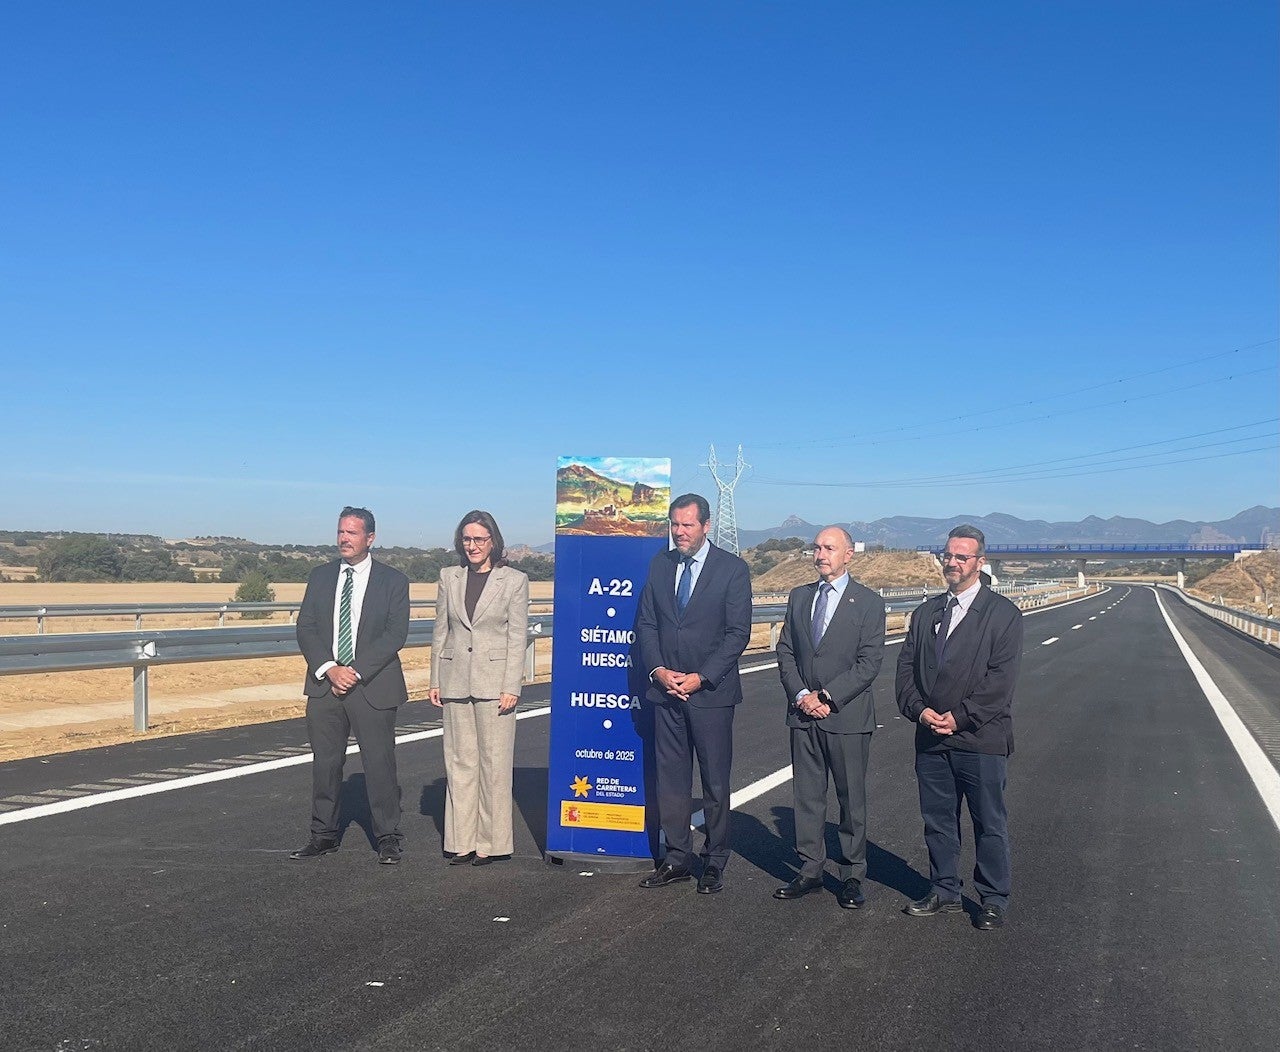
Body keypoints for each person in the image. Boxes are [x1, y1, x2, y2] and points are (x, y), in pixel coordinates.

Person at [896, 524, 1023, 930]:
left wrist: (960, 716)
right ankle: (944, 888)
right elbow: (904, 672)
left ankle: (992, 898)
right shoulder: (927, 612)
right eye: (947, 555)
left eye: (961, 557)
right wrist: (919, 710)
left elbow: (1000, 682)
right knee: (938, 819)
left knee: (989, 821)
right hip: (931, 738)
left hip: (981, 739)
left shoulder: (1003, 615)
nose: (951, 562)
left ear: (980, 562)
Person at [636, 493, 752, 894]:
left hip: (710, 694)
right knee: (671, 781)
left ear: (706, 526)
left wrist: (701, 677)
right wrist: (658, 671)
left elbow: (738, 634)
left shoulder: (732, 569)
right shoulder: (660, 565)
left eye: (687, 525)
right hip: (666, 693)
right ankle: (677, 858)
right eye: (674, 524)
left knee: (715, 782)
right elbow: (647, 625)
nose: (679, 532)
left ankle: (715, 858)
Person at [774, 527, 885, 909]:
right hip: (803, 715)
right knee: (807, 796)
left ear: (848, 555)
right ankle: (810, 869)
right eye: (817, 548)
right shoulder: (799, 596)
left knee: (850, 799)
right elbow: (786, 651)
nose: (820, 554)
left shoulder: (869, 603)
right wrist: (803, 695)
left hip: (847, 717)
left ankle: (852, 874)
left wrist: (828, 696)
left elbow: (869, 663)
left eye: (829, 548)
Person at [292, 506, 410, 864]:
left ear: (370, 538)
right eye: (341, 531)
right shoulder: (321, 576)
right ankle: (323, 834)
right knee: (326, 764)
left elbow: (395, 635)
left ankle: (387, 837)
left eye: (352, 533)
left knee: (379, 763)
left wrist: (354, 671)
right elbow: (306, 627)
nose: (344, 538)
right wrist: (329, 668)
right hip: (326, 685)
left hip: (371, 685)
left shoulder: (393, 581)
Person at [430, 511, 529, 866]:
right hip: (455, 679)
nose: (472, 546)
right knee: (459, 763)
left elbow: (517, 637)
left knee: (494, 765)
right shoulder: (448, 577)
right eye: (467, 539)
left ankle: (491, 841)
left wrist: (511, 685)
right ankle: (462, 840)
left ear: (493, 542)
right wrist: (435, 679)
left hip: (495, 684)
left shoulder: (514, 581)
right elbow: (441, 630)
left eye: (479, 539)